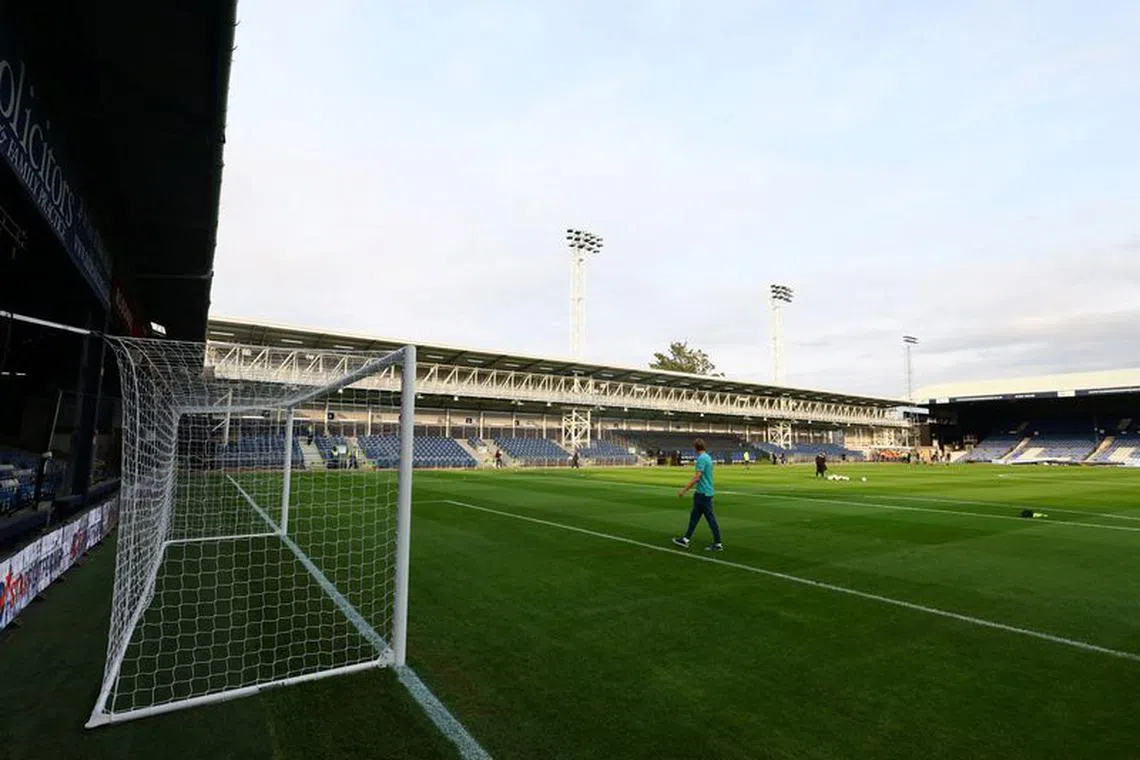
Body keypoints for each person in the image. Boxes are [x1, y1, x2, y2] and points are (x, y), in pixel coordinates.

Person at [672, 439, 723, 552]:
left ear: (695, 448)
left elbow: (697, 477)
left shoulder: (701, 459)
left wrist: (684, 490)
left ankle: (718, 543)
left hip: (702, 493)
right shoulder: (707, 457)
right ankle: (686, 539)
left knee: (710, 518)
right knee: (694, 517)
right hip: (705, 492)